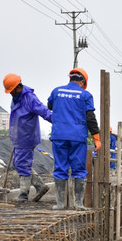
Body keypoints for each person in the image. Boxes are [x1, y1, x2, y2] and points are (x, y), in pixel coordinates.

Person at [48, 68, 101, 210]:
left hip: (59, 136)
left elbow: (50, 106)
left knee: (60, 167)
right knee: (79, 169)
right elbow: (90, 117)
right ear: (83, 81)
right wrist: (96, 137)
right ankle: (78, 204)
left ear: (70, 78)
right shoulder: (85, 95)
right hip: (77, 137)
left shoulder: (56, 92)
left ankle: (60, 204)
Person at [4, 73, 52, 202]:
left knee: (22, 163)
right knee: (18, 163)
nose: (10, 94)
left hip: (27, 136)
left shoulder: (29, 97)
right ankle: (40, 185)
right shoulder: (16, 98)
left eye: (11, 91)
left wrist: (57, 120)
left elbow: (43, 110)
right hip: (19, 137)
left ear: (18, 87)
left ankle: (24, 193)